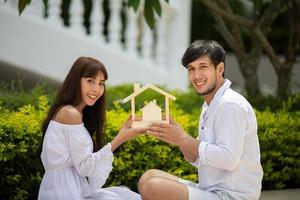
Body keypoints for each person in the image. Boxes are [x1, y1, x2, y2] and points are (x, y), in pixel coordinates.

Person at [139, 40, 263, 200]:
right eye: (191, 69)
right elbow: (198, 159)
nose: (196, 76)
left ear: (220, 69)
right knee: (148, 177)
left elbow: (228, 159)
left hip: (231, 196)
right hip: (210, 190)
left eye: (203, 67)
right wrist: (178, 139)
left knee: (153, 187)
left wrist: (182, 138)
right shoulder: (210, 104)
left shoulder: (230, 105)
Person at [38, 56, 146, 200]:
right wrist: (121, 138)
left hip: (73, 188)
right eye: (90, 81)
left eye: (101, 83)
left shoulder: (76, 113)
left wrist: (122, 134)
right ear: (76, 81)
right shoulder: (69, 114)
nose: (96, 89)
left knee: (124, 194)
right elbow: (85, 167)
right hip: (63, 192)